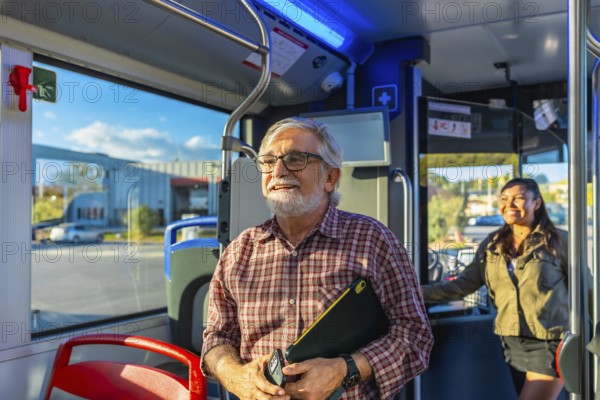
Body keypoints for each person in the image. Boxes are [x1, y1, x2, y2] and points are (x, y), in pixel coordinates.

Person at [201, 117, 433, 400]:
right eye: (268, 161)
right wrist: (234, 376)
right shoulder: (239, 252)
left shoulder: (372, 240)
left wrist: (345, 369)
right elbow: (216, 337)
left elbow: (415, 335)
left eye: (295, 159)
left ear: (330, 178)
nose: (278, 170)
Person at [422, 177, 567, 400]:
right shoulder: (493, 244)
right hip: (512, 343)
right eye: (504, 199)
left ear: (536, 203)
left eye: (519, 198)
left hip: (550, 341)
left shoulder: (558, 241)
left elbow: (586, 289)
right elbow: (463, 285)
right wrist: (413, 293)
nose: (510, 205)